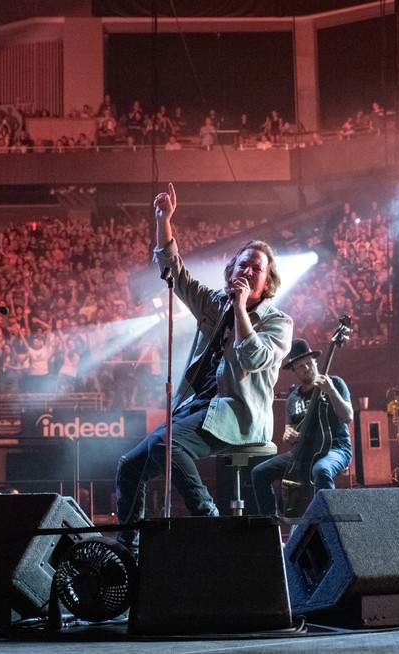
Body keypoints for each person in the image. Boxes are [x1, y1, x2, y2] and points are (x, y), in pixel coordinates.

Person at [115, 183, 293, 556]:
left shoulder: (278, 321)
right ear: (231, 271)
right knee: (129, 466)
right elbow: (175, 273)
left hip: (235, 414)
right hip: (196, 408)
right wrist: (164, 221)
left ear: (268, 282)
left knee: (168, 444)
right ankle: (128, 551)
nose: (246, 270)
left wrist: (241, 308)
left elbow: (252, 359)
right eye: (242, 264)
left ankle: (209, 521)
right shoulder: (214, 304)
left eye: (255, 268)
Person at [251, 339, 353, 517]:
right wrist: (287, 434)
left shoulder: (335, 383)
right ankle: (270, 526)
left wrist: (331, 391)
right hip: (303, 452)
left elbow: (348, 417)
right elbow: (288, 433)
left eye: (309, 363)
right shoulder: (293, 398)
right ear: (294, 370)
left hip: (335, 448)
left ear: (315, 361)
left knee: (321, 470)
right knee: (259, 472)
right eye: (300, 366)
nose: (306, 368)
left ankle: (330, 523)